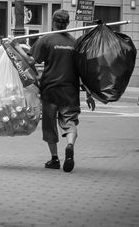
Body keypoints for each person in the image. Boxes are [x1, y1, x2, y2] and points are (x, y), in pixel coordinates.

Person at [25, 9, 95, 172]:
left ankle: (54, 159)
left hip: (50, 88)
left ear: (53, 22)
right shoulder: (76, 43)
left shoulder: (46, 40)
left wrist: (14, 47)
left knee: (50, 125)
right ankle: (70, 145)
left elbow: (30, 60)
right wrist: (89, 93)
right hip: (70, 90)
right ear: (68, 23)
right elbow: (83, 71)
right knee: (69, 122)